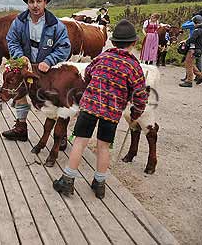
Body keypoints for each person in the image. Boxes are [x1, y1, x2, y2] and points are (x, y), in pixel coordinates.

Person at [53, 19, 148, 199]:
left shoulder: (102, 58)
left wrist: (93, 86)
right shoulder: (134, 66)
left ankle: (67, 181)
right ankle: (99, 184)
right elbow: (140, 95)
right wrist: (136, 113)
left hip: (89, 106)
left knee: (80, 141)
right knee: (103, 146)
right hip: (112, 112)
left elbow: (87, 73)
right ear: (134, 43)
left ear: (112, 42)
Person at [2, 0, 71, 142]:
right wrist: (20, 57)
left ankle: (62, 134)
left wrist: (49, 61)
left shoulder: (56, 25)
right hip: (25, 65)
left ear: (45, 2)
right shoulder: (19, 22)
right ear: (27, 4)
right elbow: (11, 40)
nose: (35, 5)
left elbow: (64, 47)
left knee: (57, 99)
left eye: (39, 1)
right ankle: (21, 127)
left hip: (48, 70)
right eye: (31, 1)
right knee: (19, 93)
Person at [179, 15, 202, 87]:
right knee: (190, 63)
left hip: (193, 49)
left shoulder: (197, 30)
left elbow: (192, 39)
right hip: (199, 49)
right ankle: (200, 75)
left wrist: (185, 42)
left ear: (195, 22)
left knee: (188, 64)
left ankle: (189, 81)